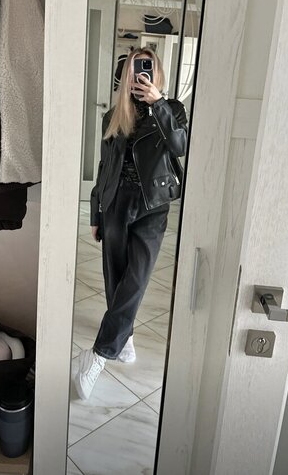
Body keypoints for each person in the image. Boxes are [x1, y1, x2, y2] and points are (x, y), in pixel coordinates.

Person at [75, 47, 188, 400]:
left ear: (157, 73)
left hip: (153, 205)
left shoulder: (173, 110)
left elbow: (179, 146)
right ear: (126, 76)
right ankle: (125, 338)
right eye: (137, 69)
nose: (142, 74)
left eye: (148, 68)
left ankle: (99, 354)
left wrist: (158, 104)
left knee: (136, 278)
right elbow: (104, 167)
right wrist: (96, 212)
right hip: (116, 202)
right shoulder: (114, 115)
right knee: (116, 278)